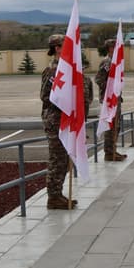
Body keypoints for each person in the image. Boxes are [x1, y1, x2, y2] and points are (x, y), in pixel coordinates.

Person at [40, 34, 93, 209]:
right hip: (56, 122)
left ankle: (58, 194)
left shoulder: (72, 70)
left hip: (69, 122)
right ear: (57, 48)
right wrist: (65, 101)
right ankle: (53, 197)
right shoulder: (52, 71)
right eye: (67, 46)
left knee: (64, 159)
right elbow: (45, 96)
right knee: (57, 159)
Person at [95, 37, 127, 162]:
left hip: (116, 98)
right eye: (115, 47)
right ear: (110, 48)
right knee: (111, 126)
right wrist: (110, 90)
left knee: (116, 126)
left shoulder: (116, 63)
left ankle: (113, 150)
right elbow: (99, 79)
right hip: (109, 100)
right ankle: (109, 153)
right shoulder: (107, 63)